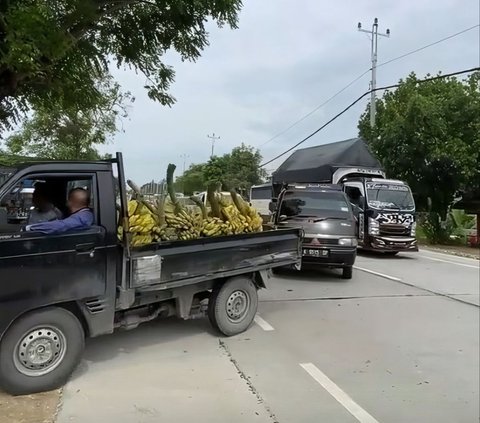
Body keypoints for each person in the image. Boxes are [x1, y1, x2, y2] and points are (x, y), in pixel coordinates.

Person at [26, 188, 93, 234]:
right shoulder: (85, 215)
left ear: (70, 202)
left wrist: (30, 228)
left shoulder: (82, 217)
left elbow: (61, 226)